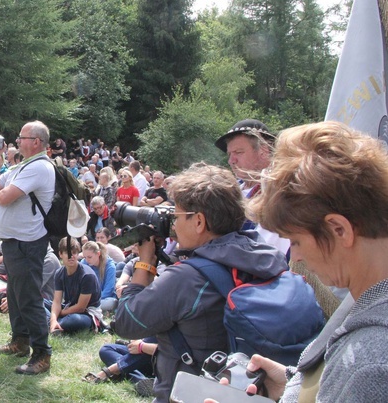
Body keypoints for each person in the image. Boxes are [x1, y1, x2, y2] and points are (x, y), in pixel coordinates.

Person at [204, 122, 388, 403]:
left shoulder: (371, 361)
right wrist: (292, 385)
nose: (296, 258)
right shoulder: (366, 303)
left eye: (296, 241)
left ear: (339, 230)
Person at [113, 163, 288, 403]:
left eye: (176, 216)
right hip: (242, 390)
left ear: (198, 222)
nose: (173, 224)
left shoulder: (186, 278)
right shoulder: (264, 257)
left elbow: (126, 323)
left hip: (190, 393)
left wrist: (145, 262)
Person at [0, 121, 55, 375]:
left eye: (22, 137)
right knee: (15, 296)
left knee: (28, 299)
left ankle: (42, 354)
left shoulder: (40, 167)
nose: (17, 140)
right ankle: (19, 342)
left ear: (36, 142)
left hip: (29, 243)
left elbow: (2, 197)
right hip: (14, 242)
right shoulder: (22, 166)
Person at [214, 118, 288, 254]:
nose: (231, 160)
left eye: (238, 152)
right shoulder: (231, 190)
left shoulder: (278, 193)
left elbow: (264, 252)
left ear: (263, 151)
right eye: (229, 154)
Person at [45, 237, 103, 334]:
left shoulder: (87, 275)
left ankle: (48, 324)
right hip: (68, 307)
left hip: (86, 313)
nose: (71, 256)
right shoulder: (59, 273)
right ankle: (53, 324)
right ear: (60, 254)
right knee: (37, 302)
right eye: (68, 253)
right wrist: (54, 318)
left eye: (74, 253)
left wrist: (59, 313)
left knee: (75, 320)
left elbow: (81, 307)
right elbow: (57, 301)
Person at [81, 241, 117, 313]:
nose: (87, 260)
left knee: (113, 302)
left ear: (98, 254)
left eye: (89, 257)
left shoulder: (110, 266)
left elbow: (108, 290)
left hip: (103, 298)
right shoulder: (84, 263)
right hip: (87, 298)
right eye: (85, 257)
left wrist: (92, 301)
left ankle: (85, 307)